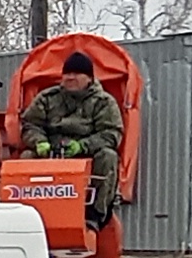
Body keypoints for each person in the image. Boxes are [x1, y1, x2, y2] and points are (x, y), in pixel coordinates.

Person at [19, 51, 125, 229]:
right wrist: (39, 142)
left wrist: (82, 146)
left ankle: (94, 215)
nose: (70, 78)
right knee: (26, 157)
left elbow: (111, 133)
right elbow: (30, 125)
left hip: (86, 156)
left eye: (76, 74)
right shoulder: (47, 98)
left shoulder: (104, 102)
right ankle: (26, 213)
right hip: (51, 154)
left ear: (89, 78)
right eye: (67, 74)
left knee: (108, 156)